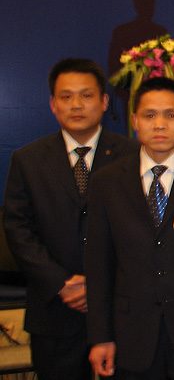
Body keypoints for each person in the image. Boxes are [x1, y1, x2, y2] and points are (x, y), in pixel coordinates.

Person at [86, 77, 174, 379]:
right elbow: (99, 265)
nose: (160, 125)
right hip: (131, 334)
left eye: (171, 115)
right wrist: (101, 336)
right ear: (135, 121)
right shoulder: (107, 181)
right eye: (150, 115)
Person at [2, 58, 137, 380]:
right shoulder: (28, 160)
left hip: (121, 310)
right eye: (66, 96)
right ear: (53, 104)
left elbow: (144, 231)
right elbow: (18, 229)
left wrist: (101, 284)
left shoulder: (134, 155)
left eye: (86, 95)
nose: (76, 105)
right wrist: (61, 284)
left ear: (104, 101)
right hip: (54, 312)